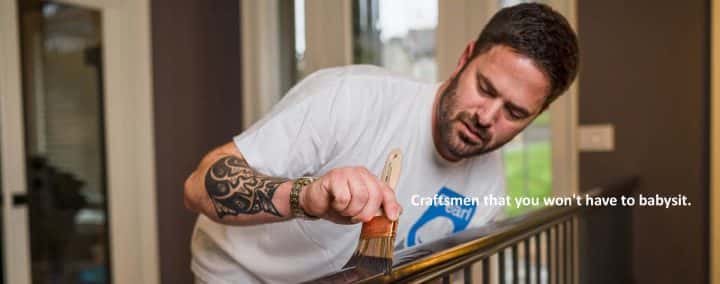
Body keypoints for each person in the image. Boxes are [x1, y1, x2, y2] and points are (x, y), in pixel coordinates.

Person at [183, 3, 579, 283]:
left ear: (536, 115)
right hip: (243, 275)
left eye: (514, 112)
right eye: (485, 87)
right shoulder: (351, 97)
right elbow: (199, 187)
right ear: (465, 59)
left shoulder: (489, 189)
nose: (486, 117)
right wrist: (307, 197)